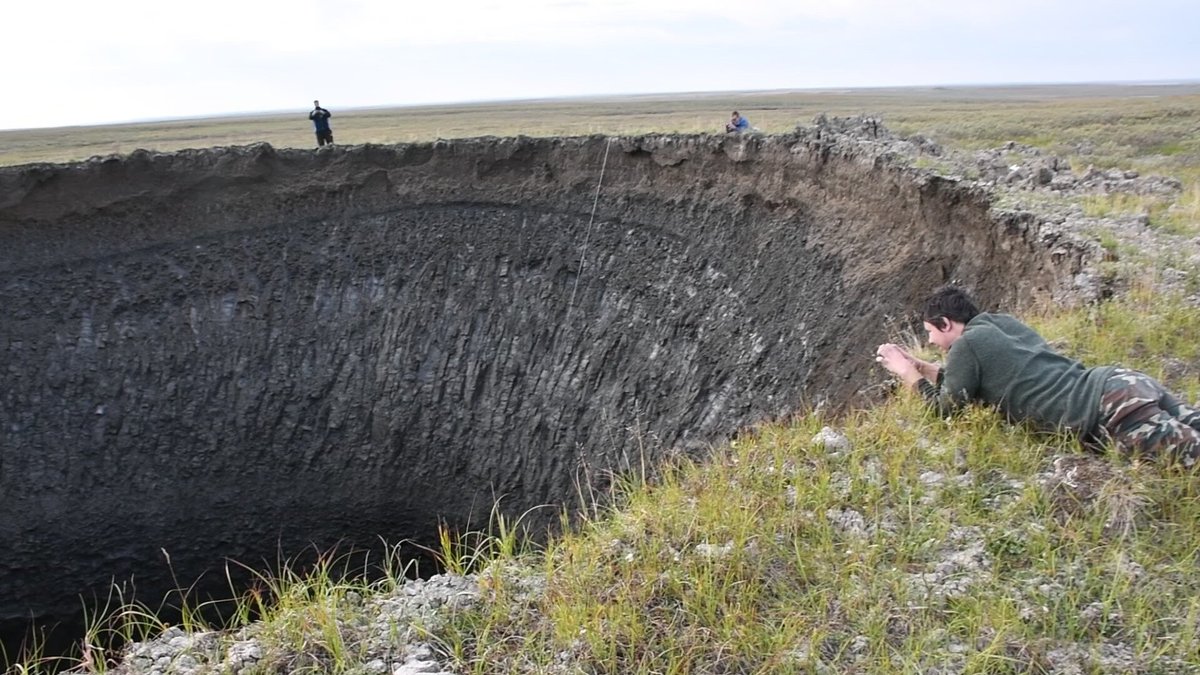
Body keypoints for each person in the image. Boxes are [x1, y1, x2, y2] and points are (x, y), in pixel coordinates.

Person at [876, 286, 1200, 467]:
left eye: (931, 332)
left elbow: (945, 410)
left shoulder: (967, 346)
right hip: (1123, 383)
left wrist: (906, 374)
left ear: (946, 323)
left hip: (1107, 411)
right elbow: (963, 380)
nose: (931, 341)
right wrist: (920, 367)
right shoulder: (998, 325)